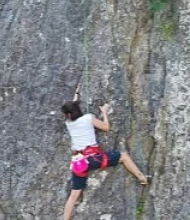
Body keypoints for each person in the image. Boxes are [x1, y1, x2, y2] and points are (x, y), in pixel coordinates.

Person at [61, 86, 148, 220]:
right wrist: (105, 112)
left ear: (67, 115)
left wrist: (77, 93)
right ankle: (142, 178)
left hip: (79, 162)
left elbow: (72, 108)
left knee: (73, 195)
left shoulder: (68, 123)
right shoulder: (88, 118)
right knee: (123, 156)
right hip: (94, 158)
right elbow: (106, 127)